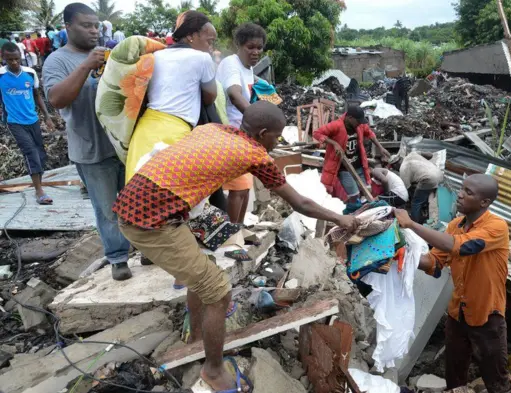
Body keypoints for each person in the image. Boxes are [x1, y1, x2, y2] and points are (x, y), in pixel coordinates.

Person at [113, 101, 357, 392]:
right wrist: (341, 217)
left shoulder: (214, 129)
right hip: (150, 219)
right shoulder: (254, 154)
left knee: (206, 268)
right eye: (276, 137)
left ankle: (196, 337)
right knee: (218, 292)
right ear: (264, 133)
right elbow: (300, 202)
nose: (277, 142)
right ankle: (213, 370)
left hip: (144, 201)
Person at [394, 174, 511, 393]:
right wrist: (400, 255)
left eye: (468, 192)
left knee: (497, 382)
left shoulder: (497, 227)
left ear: (484, 202)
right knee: (454, 378)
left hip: (487, 317)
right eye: (462, 188)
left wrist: (411, 224)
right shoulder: (455, 225)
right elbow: (434, 263)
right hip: (457, 315)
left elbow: (461, 247)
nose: (459, 194)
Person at [43, 3, 132, 281]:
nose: (94, 30)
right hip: (92, 150)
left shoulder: (111, 54)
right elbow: (57, 99)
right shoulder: (57, 61)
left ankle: (146, 248)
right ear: (68, 27)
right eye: (86, 25)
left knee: (136, 201)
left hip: (124, 145)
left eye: (96, 25)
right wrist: (86, 66)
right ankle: (118, 258)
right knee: (107, 209)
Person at [125, 10, 217, 182]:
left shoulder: (157, 55)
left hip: (145, 132)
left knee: (139, 196)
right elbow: (211, 96)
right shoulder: (203, 58)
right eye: (209, 41)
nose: (210, 47)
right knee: (171, 198)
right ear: (191, 36)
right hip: (173, 133)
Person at [215, 22, 266, 224]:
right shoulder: (231, 64)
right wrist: (258, 120)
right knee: (238, 188)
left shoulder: (248, 69)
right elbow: (234, 95)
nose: (255, 52)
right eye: (250, 47)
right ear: (239, 45)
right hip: (230, 134)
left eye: (259, 47)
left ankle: (239, 229)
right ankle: (231, 237)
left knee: (245, 187)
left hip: (242, 135)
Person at [0, 43, 56, 204]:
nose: (14, 63)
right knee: (30, 152)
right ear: (3, 58)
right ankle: (39, 191)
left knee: (40, 153)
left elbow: (37, 95)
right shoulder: (1, 76)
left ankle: (39, 181)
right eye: (10, 59)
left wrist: (47, 116)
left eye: (17, 59)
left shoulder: (30, 74)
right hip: (13, 121)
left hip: (33, 120)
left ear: (21, 57)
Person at [313, 104, 390, 203]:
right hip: (344, 168)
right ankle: (353, 212)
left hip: (358, 165)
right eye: (358, 121)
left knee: (367, 190)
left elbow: (369, 133)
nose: (359, 124)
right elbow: (317, 133)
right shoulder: (336, 125)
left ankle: (363, 210)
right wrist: (334, 143)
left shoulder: (360, 126)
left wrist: (381, 147)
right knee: (355, 195)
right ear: (350, 118)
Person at [390, 151, 443, 223]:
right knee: (423, 194)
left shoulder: (403, 169)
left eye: (393, 167)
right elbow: (430, 155)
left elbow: (408, 190)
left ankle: (415, 222)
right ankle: (425, 214)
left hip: (429, 179)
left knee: (415, 202)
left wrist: (408, 202)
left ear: (395, 165)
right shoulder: (412, 154)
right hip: (439, 173)